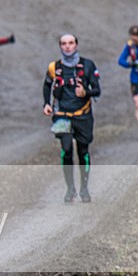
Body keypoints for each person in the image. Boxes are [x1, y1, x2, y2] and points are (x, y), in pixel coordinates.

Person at [43, 34, 101, 203]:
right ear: (60, 46)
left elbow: (97, 90)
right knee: (66, 150)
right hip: (62, 115)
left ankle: (84, 188)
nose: (67, 47)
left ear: (76, 45)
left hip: (83, 115)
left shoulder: (88, 65)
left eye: (70, 43)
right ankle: (70, 189)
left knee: (83, 151)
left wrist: (85, 92)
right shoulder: (54, 67)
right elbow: (47, 84)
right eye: (64, 44)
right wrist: (46, 103)